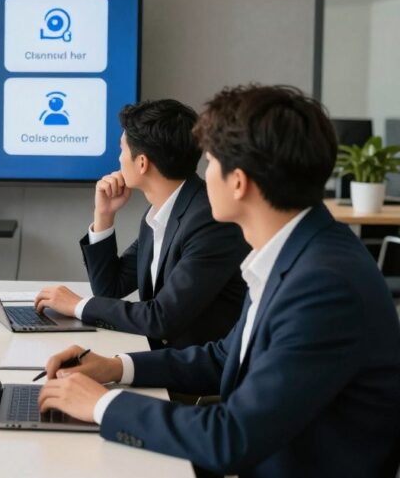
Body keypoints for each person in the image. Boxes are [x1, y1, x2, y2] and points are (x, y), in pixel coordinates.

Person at [37, 85, 400, 477]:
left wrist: (101, 405)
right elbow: (224, 357)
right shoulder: (295, 251)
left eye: (209, 163)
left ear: (238, 182)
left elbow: (232, 438)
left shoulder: (324, 286)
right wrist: (113, 367)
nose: (202, 176)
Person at [35, 99, 248, 349]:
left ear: (142, 162)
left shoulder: (209, 222)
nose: (119, 158)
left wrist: (78, 305)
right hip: (164, 360)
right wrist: (103, 215)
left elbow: (162, 318)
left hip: (195, 376)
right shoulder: (163, 212)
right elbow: (110, 288)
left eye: (122, 150)